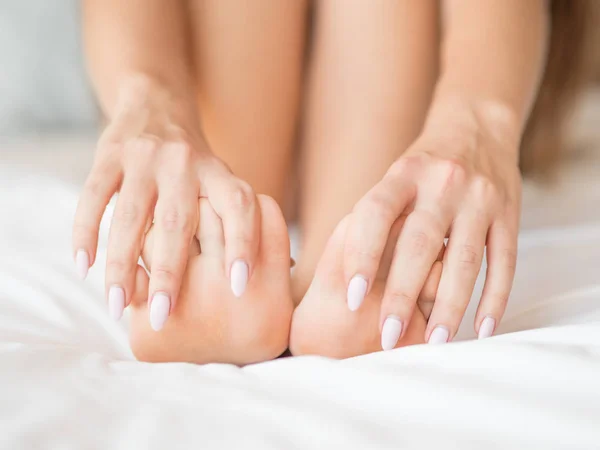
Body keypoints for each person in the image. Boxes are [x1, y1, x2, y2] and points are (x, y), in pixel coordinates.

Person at [73, 0, 596, 364]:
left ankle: (262, 259)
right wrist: (148, 99)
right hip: (197, 85)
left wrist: (477, 121)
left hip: (437, 71)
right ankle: (290, 261)